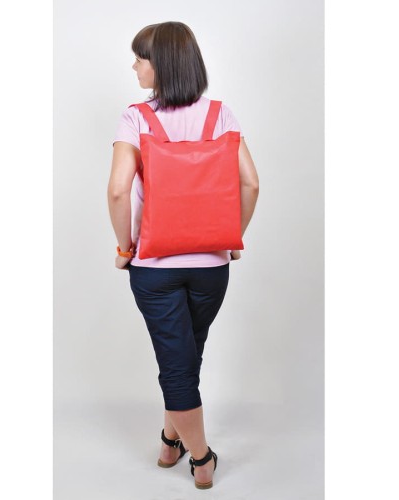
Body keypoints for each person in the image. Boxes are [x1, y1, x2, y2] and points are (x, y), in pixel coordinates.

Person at [108, 21, 259, 489]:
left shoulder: (136, 117)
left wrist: (125, 247)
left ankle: (201, 458)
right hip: (211, 268)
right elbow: (251, 184)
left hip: (154, 267)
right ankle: (169, 441)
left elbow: (118, 191)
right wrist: (231, 238)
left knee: (177, 364)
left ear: (162, 64)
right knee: (186, 358)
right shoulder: (220, 114)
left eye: (140, 58)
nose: (134, 66)